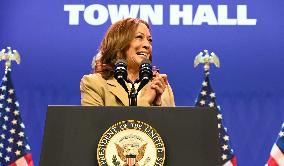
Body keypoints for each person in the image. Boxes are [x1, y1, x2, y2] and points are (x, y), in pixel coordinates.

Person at [80, 18, 175, 106]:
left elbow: (170, 123)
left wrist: (158, 104)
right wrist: (145, 100)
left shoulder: (161, 86)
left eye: (149, 40)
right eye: (139, 37)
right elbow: (95, 123)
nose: (147, 45)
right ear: (119, 42)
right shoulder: (95, 83)